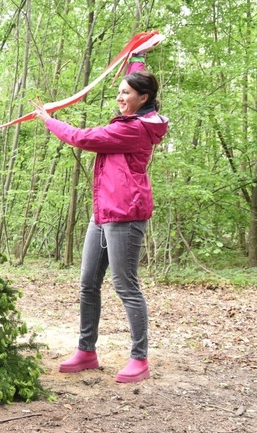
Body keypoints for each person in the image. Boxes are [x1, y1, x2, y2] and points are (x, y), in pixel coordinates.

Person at [32, 52, 168, 383]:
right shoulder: (132, 116)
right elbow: (137, 80)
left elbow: (83, 138)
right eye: (118, 92)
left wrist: (48, 119)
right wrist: (136, 59)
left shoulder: (135, 130)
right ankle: (86, 351)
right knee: (88, 283)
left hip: (126, 215)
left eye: (126, 93)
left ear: (144, 99)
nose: (120, 97)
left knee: (125, 284)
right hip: (103, 212)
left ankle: (139, 359)